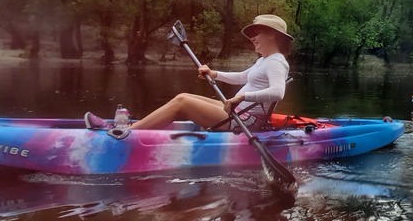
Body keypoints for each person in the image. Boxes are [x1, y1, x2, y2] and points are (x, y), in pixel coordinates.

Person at [85, 14, 293, 132]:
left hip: (245, 121)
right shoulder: (264, 61)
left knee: (183, 101)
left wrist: (242, 97)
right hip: (237, 112)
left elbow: (278, 92)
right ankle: (136, 126)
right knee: (183, 97)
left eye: (257, 33)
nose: (253, 38)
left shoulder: (277, 62)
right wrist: (214, 73)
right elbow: (240, 77)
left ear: (272, 35)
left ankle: (128, 132)